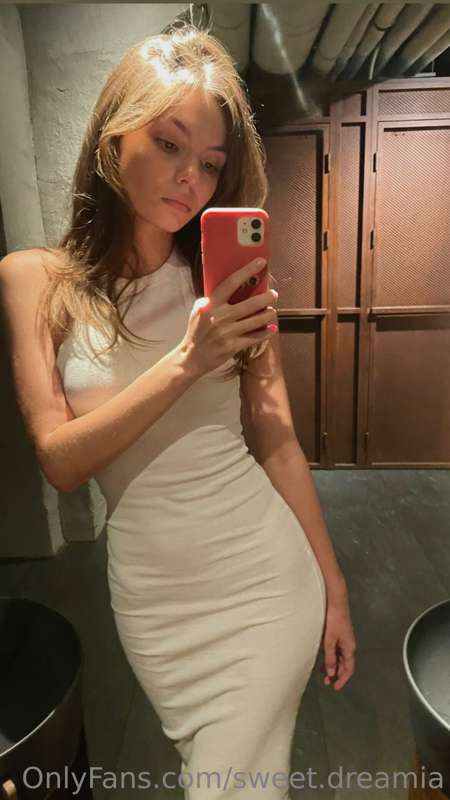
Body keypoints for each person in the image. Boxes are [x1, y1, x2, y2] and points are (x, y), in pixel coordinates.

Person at [0, 21, 356, 799]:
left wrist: (333, 586)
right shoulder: (36, 281)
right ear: (114, 134)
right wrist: (187, 361)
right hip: (156, 606)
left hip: (265, 581)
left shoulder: (228, 287)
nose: (190, 177)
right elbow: (60, 462)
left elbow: (278, 441)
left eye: (212, 162)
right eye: (169, 144)